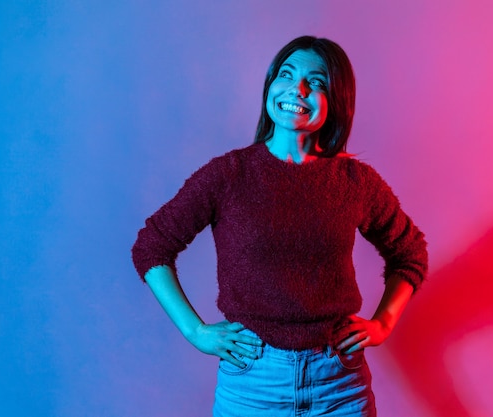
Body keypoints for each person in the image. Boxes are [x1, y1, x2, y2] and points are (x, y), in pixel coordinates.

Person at [131, 35, 428, 417]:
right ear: (270, 85)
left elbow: (410, 253)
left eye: (316, 82)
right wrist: (195, 331)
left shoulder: (355, 182)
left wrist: (384, 323)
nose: (298, 89)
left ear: (335, 101)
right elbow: (151, 247)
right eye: (286, 75)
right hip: (252, 383)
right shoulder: (229, 175)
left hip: (339, 386)